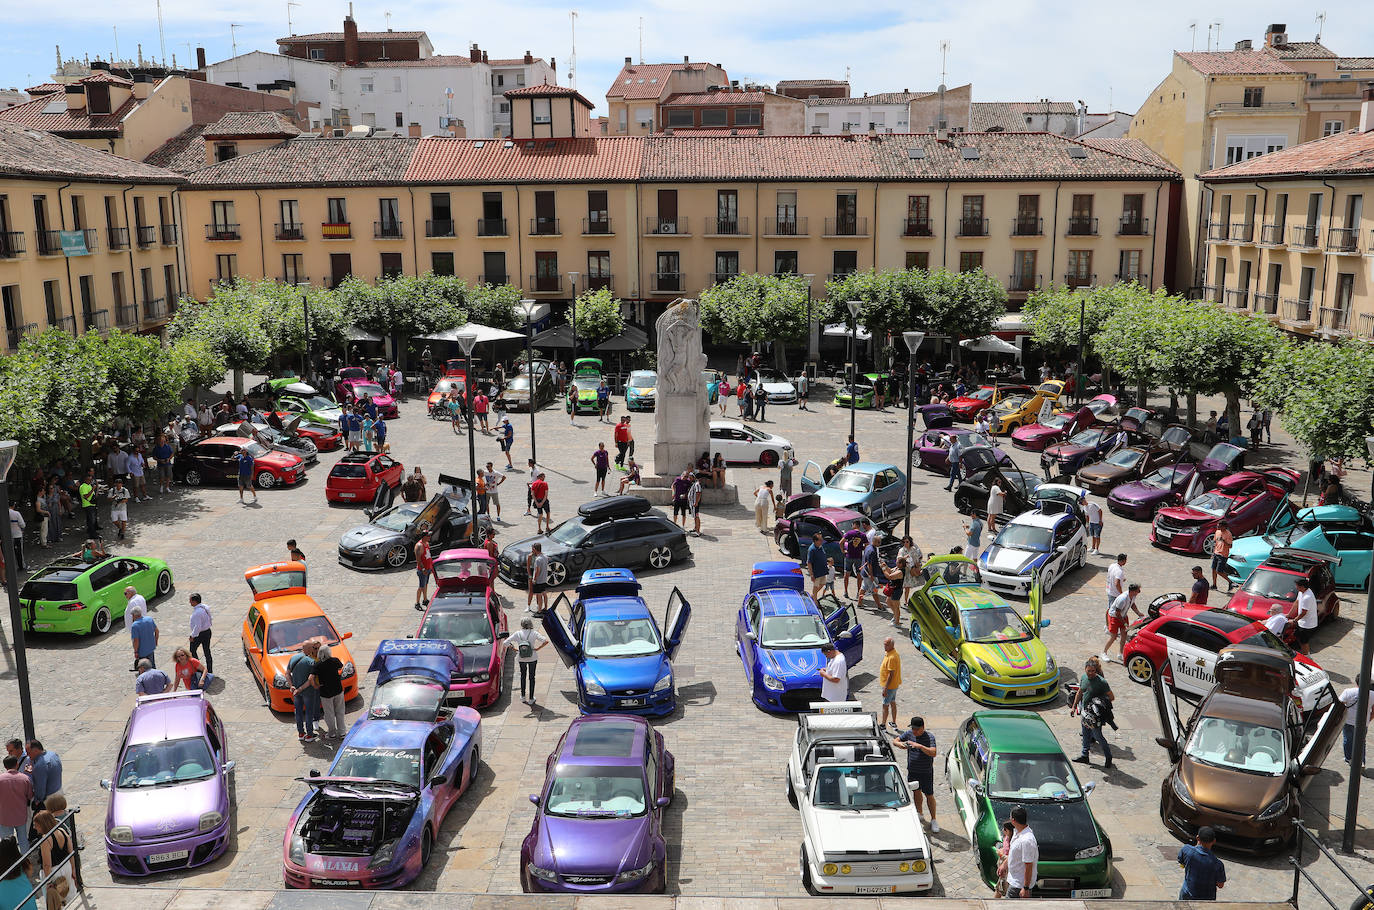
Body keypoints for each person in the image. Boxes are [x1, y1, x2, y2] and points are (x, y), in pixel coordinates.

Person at [895, 716, 938, 832]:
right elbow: (895, 741)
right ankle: (920, 813)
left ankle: (934, 819)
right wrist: (901, 745)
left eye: (916, 729)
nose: (914, 731)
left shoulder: (929, 737)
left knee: (929, 795)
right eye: (913, 729)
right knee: (916, 792)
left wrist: (919, 746)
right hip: (913, 771)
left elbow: (933, 753)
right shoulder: (909, 734)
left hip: (926, 772)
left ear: (922, 728)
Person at [1071, 657, 1115, 768]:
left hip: (1096, 716)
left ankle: (1108, 756)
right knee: (1085, 734)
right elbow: (1080, 692)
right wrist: (1074, 706)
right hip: (1085, 713)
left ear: (1096, 670)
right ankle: (1084, 756)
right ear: (1085, 669)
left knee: (1098, 736)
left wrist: (1099, 703)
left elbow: (1111, 697)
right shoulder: (1083, 678)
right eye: (1089, 671)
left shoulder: (1102, 682)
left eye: (1093, 671)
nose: (1091, 673)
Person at [32, 810, 73, 910]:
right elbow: (71, 853)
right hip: (66, 866)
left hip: (53, 872)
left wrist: (48, 881)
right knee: (67, 896)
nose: (34, 827)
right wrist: (74, 871)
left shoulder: (45, 840)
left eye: (36, 825)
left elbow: (47, 864)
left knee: (55, 903)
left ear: (43, 824)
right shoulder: (62, 831)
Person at [1177, 827, 1226, 900]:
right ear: (1214, 841)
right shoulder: (1218, 864)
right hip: (1206, 899)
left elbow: (1182, 864)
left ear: (1197, 837)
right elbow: (1220, 885)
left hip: (1186, 895)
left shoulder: (1186, 850)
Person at [508, 616, 548, 706]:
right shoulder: (534, 633)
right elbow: (545, 641)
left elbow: (505, 642)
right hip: (532, 657)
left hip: (521, 657)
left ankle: (522, 696)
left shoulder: (517, 633)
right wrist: (537, 648)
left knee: (523, 676)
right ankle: (531, 698)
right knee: (531, 677)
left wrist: (514, 648)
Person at [0, 753, 33, 851]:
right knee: (23, 839)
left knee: (7, 842)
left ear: (5, 766)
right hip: (21, 815)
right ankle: (25, 861)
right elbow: (30, 795)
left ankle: (11, 863)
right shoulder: (25, 778)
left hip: (4, 817)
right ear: (17, 764)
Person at [288, 640, 320, 743]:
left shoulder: (293, 658)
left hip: (296, 692)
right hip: (308, 692)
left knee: (298, 712)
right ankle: (309, 734)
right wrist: (301, 689)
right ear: (310, 649)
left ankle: (301, 733)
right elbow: (310, 680)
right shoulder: (311, 662)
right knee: (309, 713)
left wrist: (291, 686)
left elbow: (287, 673)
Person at [1103, 583, 1143, 663]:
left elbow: (1132, 605)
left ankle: (1120, 653)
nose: (1139, 592)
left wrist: (1138, 613)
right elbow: (1117, 613)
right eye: (1138, 590)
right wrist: (1124, 623)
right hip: (1114, 617)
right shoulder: (1122, 599)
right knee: (1113, 637)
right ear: (1133, 591)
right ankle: (1104, 652)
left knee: (1124, 635)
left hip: (1123, 616)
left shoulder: (1133, 596)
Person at [1005, 805, 1038, 899]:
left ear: (1013, 820)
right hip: (1014, 881)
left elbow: (1029, 865)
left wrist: (1026, 888)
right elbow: (1013, 853)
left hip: (1019, 886)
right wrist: (1004, 864)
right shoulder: (1017, 832)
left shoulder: (1027, 840)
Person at [1339, 676, 1374, 764]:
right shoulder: (1373, 695)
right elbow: (1373, 711)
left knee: (1348, 740)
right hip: (1363, 722)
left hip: (1348, 720)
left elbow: (1340, 705)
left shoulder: (1348, 691)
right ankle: (1361, 761)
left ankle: (1348, 758)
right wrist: (1368, 720)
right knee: (1361, 742)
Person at [314, 644, 346, 738]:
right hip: (338, 690)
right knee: (340, 711)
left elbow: (311, 677)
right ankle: (342, 732)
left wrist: (316, 686)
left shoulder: (318, 665)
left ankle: (331, 733)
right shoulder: (335, 660)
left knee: (329, 714)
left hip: (325, 692)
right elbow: (340, 667)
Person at [877, 637, 902, 731]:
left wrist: (885, 688)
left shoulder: (891, 657)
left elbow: (890, 675)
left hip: (890, 686)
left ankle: (883, 725)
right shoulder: (892, 653)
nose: (885, 646)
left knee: (885, 705)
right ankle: (893, 722)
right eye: (884, 644)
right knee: (892, 702)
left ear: (892, 645)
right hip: (894, 685)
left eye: (887, 644)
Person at [25, 742, 61, 806]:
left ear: (36, 750)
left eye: (29, 753)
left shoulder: (39, 766)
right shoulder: (53, 754)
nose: (27, 755)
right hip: (59, 790)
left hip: (50, 799)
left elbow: (40, 788)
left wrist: (37, 800)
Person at [186, 592, 214, 675]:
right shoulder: (205, 607)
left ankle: (199, 669)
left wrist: (192, 636)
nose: (189, 602)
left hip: (199, 634)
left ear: (194, 602)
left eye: (190, 600)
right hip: (207, 632)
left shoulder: (197, 613)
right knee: (207, 651)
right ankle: (209, 670)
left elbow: (197, 627)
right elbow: (210, 618)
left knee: (192, 651)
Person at [1293, 576, 1319, 655]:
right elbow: (1296, 602)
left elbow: (1304, 612)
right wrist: (1289, 614)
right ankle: (1304, 653)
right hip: (1302, 622)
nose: (1296, 587)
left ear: (1302, 587)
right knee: (1298, 636)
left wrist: (1295, 620)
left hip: (1307, 624)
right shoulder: (1301, 592)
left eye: (1297, 586)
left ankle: (1306, 656)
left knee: (1304, 641)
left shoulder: (1307, 597)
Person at [128, 605, 158, 670]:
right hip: (151, 648)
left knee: (144, 669)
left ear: (134, 615)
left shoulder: (135, 625)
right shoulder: (149, 619)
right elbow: (157, 631)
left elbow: (136, 641)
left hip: (142, 651)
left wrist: (135, 652)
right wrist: (155, 642)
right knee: (152, 665)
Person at [841, 525, 866, 599]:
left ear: (855, 525)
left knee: (847, 574)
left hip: (849, 556)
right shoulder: (863, 535)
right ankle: (858, 592)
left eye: (852, 525)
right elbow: (867, 545)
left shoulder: (849, 533)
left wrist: (843, 551)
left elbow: (841, 542)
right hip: (858, 557)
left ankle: (845, 592)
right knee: (859, 575)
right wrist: (861, 548)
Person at [993, 819, 1016, 897]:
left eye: (1005, 829)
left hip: (1007, 868)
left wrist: (1002, 854)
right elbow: (1004, 848)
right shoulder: (1006, 838)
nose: (1003, 830)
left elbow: (1012, 855)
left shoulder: (1013, 841)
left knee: (1003, 886)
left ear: (1009, 831)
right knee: (999, 887)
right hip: (1002, 865)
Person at [804, 533, 829, 599]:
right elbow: (809, 563)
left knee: (823, 583)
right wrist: (811, 574)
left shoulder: (820, 546)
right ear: (815, 541)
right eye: (820, 540)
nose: (822, 541)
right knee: (815, 586)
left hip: (822, 571)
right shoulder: (812, 549)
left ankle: (812, 596)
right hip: (816, 572)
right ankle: (815, 601)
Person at [527, 542, 550, 613]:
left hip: (538, 580)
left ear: (534, 549)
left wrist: (534, 579)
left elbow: (537, 571)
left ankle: (539, 611)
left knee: (539, 595)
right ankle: (545, 608)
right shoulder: (545, 557)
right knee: (544, 594)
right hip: (544, 579)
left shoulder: (538, 559)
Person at [1211, 521, 1233, 592]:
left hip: (1223, 555)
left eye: (1219, 526)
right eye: (1218, 526)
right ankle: (1214, 585)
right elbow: (1216, 543)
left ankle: (1230, 582)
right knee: (1213, 570)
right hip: (1216, 553)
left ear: (1224, 526)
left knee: (1219, 571)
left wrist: (1224, 541)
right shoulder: (1217, 532)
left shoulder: (1228, 534)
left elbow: (1230, 546)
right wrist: (1213, 552)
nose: (1218, 527)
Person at [414, 531, 434, 610]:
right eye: (428, 536)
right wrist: (422, 569)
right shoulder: (419, 546)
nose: (430, 537)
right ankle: (417, 603)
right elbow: (418, 560)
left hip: (428, 569)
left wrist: (431, 567)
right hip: (423, 570)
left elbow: (429, 556)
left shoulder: (427, 544)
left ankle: (425, 600)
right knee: (421, 587)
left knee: (425, 585)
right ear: (424, 536)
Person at [107, 476, 130, 541]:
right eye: (117, 484)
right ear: (115, 484)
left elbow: (126, 499)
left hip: (122, 508)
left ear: (121, 484)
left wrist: (119, 501)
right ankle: (120, 528)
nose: (118, 485)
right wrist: (113, 497)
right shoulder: (112, 490)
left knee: (124, 521)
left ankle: (122, 533)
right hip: (114, 508)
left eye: (119, 484)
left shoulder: (125, 490)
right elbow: (109, 498)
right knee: (114, 520)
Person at [78, 468, 98, 537]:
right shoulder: (83, 486)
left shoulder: (89, 485)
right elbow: (86, 496)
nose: (90, 481)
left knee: (91, 520)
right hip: (88, 505)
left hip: (92, 504)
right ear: (85, 480)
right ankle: (92, 534)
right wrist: (93, 489)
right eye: (89, 480)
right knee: (91, 520)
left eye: (91, 480)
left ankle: (92, 531)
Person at [689, 472, 703, 537]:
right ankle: (695, 528)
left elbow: (698, 493)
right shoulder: (695, 484)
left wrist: (696, 502)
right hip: (693, 503)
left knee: (696, 516)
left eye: (691, 477)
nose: (689, 478)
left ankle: (698, 531)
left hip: (695, 504)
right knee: (695, 516)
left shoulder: (697, 484)